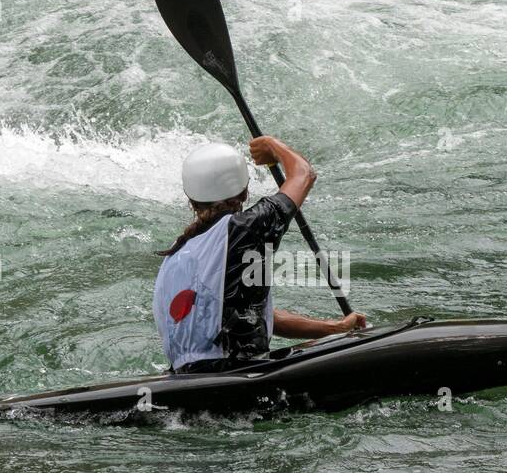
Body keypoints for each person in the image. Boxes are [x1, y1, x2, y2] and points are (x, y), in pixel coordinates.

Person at [153, 136, 367, 373]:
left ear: (191, 199)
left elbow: (247, 313)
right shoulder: (245, 228)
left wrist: (334, 329)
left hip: (184, 377)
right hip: (234, 372)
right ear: (244, 193)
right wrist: (273, 147)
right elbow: (303, 174)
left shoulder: (175, 252)